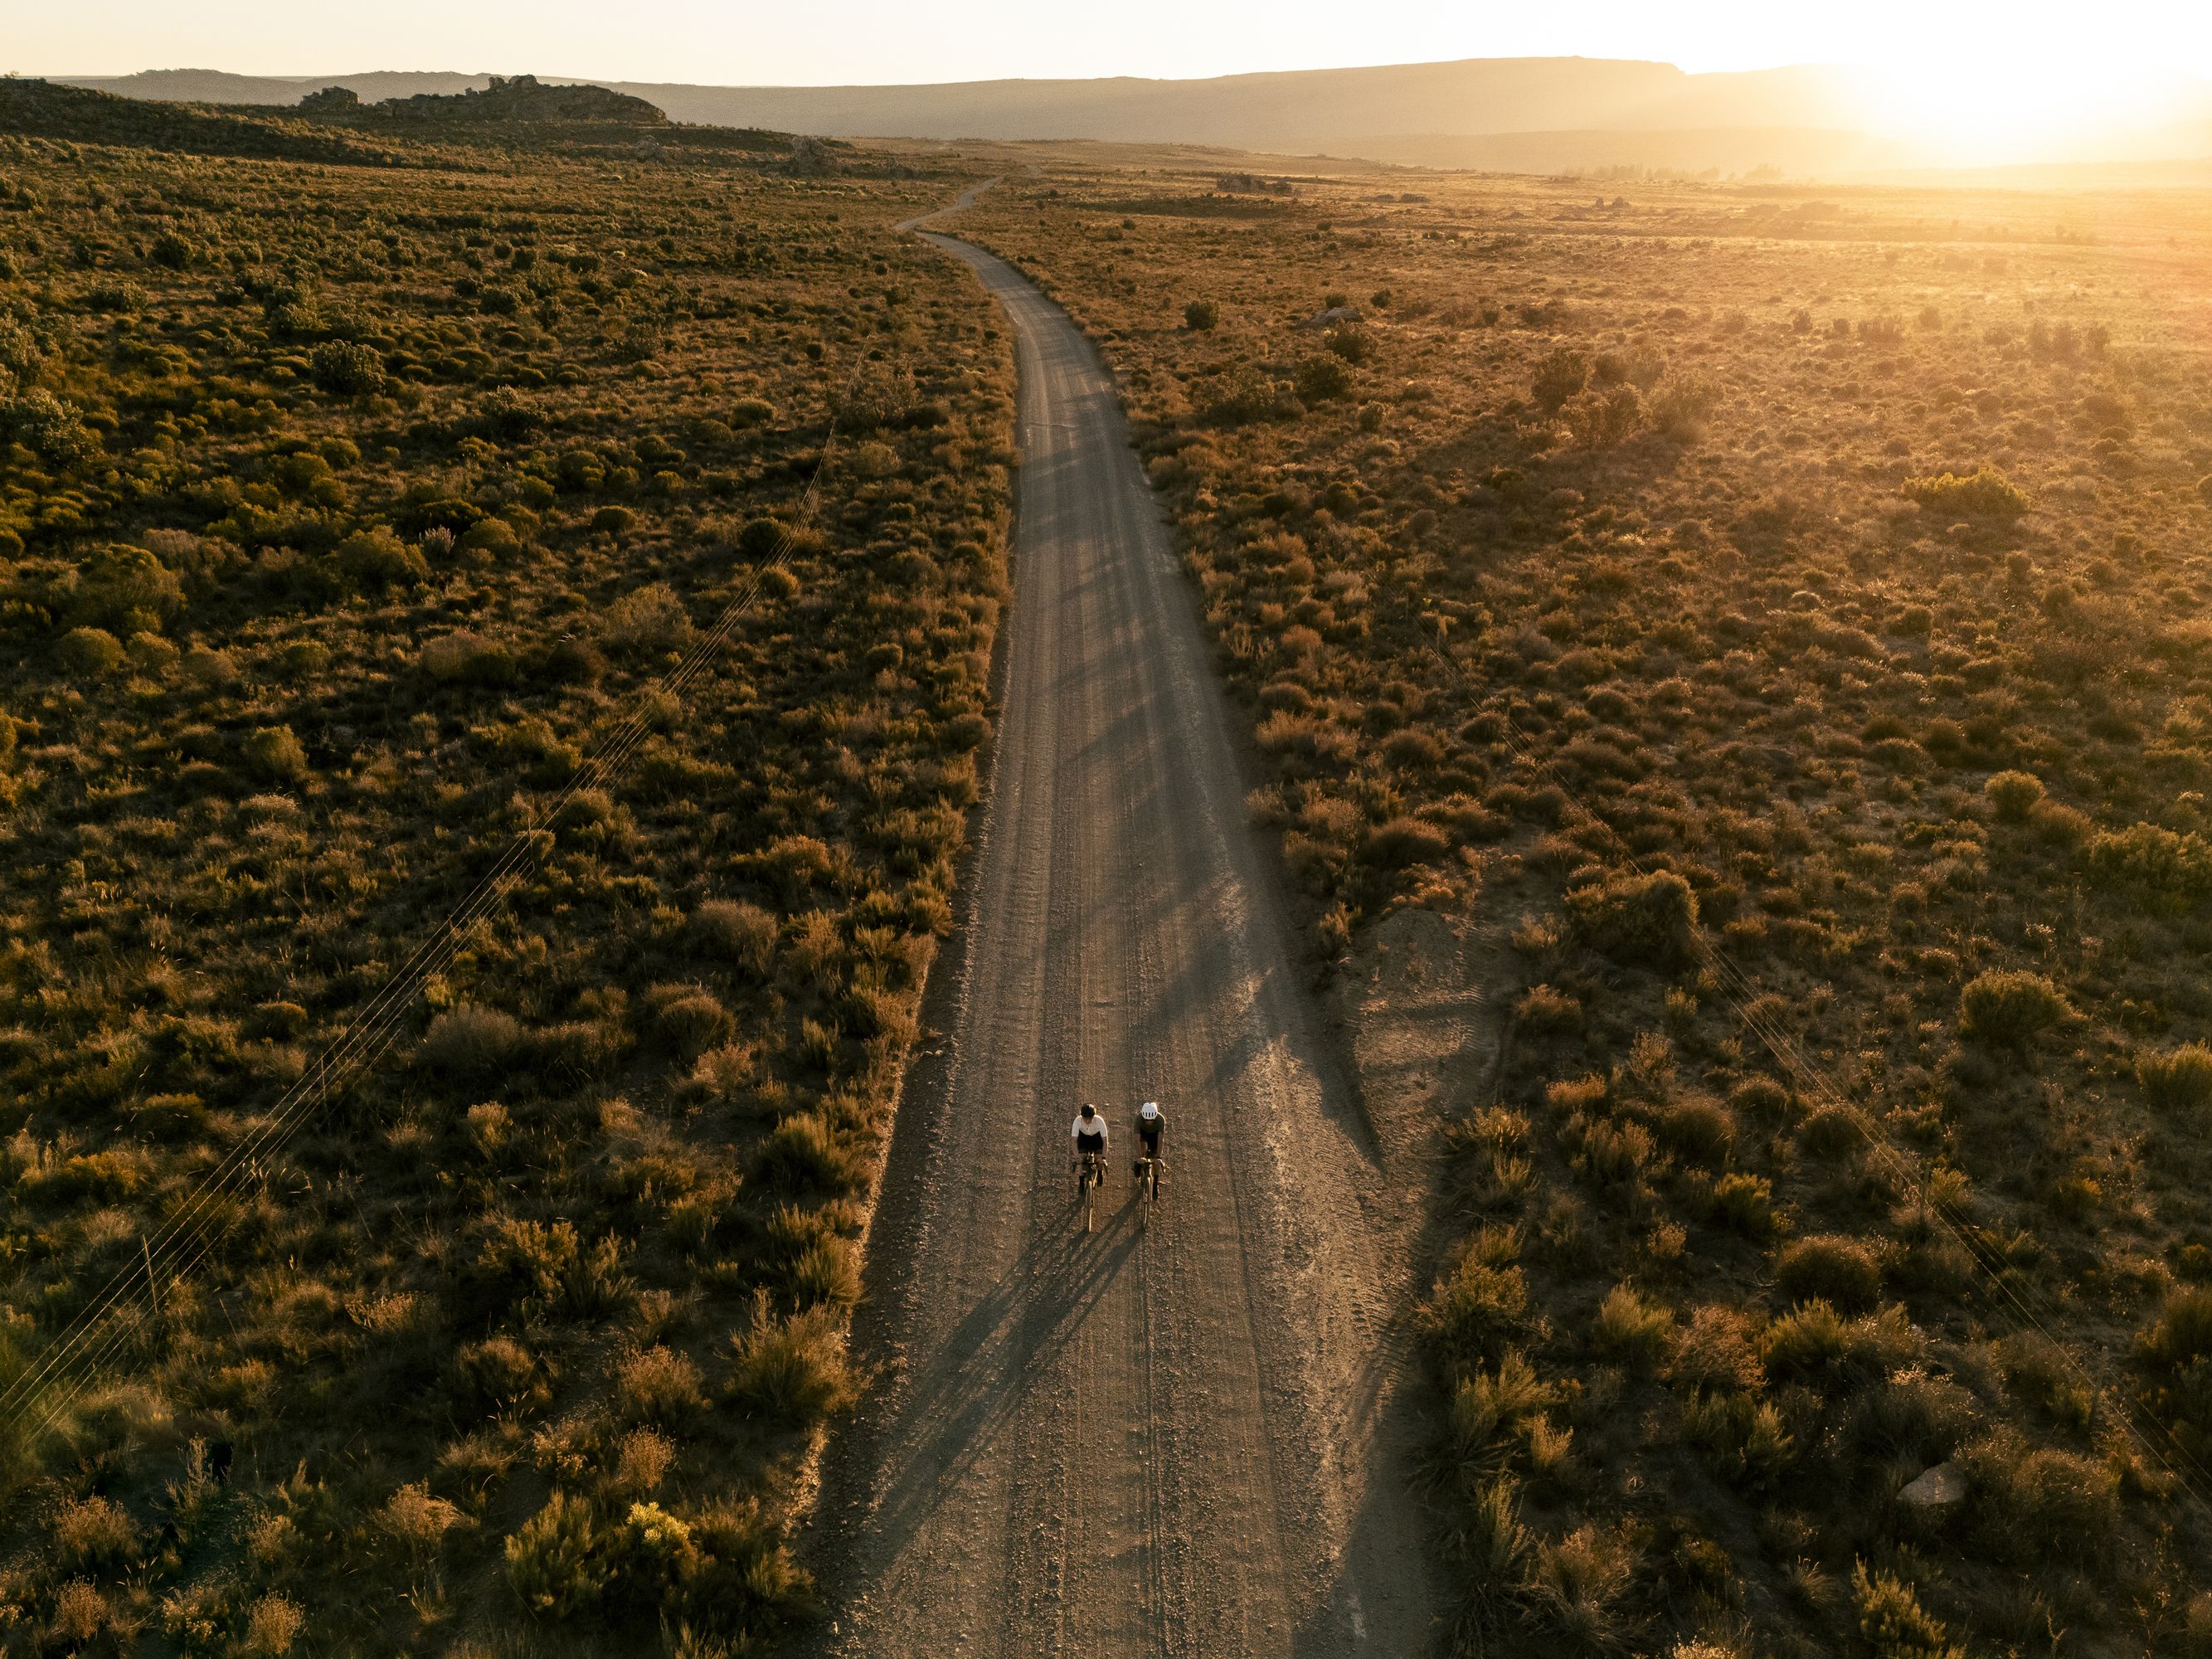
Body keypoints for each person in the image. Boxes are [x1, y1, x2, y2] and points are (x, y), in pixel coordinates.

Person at [1070, 1102, 1108, 1188]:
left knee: (1099, 1158)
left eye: (1089, 1118)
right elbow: (1074, 1141)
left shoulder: (1100, 1121)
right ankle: (1081, 1182)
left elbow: (1105, 1141)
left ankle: (1099, 1172)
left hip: (1097, 1138)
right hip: (1083, 1138)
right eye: (1085, 1118)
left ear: (1093, 1116)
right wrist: (1077, 1157)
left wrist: (1103, 1158)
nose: (1087, 1121)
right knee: (1081, 1158)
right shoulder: (1077, 1121)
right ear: (1082, 1116)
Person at [1135, 1100, 1165, 1199]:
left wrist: (1158, 1157)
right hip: (1143, 1134)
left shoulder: (1161, 1119)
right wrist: (1140, 1156)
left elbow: (1160, 1140)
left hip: (1155, 1136)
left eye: (1151, 1120)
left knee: (1156, 1161)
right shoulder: (1138, 1119)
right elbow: (1136, 1139)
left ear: (1155, 1116)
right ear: (1143, 1117)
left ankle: (1155, 1182)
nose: (1149, 1122)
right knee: (1143, 1147)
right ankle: (1140, 1164)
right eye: (1147, 1120)